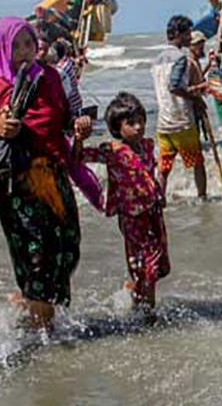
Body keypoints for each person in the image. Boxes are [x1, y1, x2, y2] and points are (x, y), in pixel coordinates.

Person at [0, 17, 90, 331]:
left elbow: (63, 120)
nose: (25, 51)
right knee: (37, 255)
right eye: (16, 46)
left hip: (53, 174)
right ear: (1, 49)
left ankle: (33, 307)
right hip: (16, 181)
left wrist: (78, 127)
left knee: (68, 247)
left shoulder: (50, 77)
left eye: (29, 43)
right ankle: (44, 335)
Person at [75, 92, 169, 314]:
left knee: (158, 264)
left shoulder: (147, 146)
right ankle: (146, 312)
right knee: (146, 264)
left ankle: (138, 295)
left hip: (153, 212)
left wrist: (159, 190)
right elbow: (79, 157)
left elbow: (148, 173)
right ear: (117, 128)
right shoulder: (113, 151)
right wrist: (79, 139)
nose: (139, 127)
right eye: (131, 123)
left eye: (141, 121)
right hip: (131, 216)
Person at [151, 16, 209, 198]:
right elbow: (174, 87)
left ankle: (160, 201)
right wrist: (195, 97)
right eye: (187, 33)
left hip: (163, 123)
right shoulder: (180, 58)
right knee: (197, 163)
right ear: (178, 34)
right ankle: (202, 198)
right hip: (181, 121)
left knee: (164, 168)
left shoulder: (157, 60)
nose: (190, 37)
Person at [48, 39, 83, 118]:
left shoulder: (60, 70)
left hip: (71, 108)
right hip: (77, 103)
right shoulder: (68, 62)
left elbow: (62, 95)